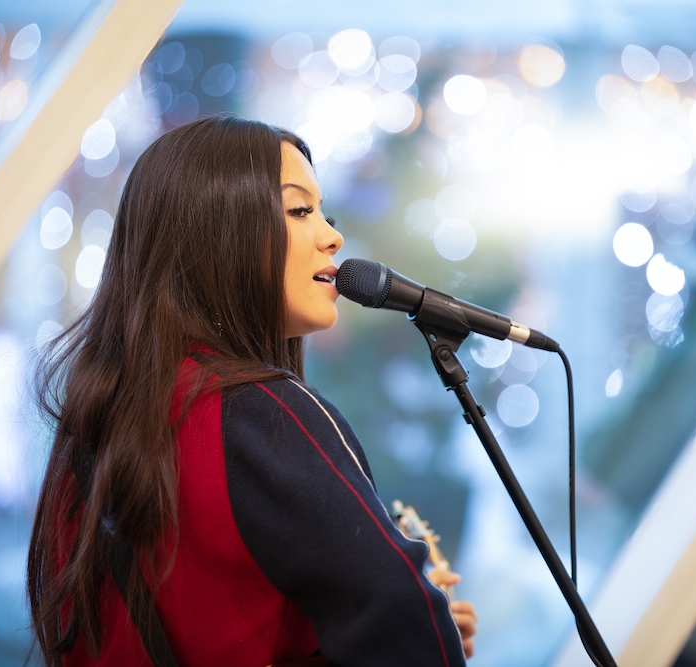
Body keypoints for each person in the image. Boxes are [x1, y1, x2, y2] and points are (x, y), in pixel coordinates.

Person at [27, 114, 477, 666]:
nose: (332, 236)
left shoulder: (97, 423)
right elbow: (407, 639)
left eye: (325, 213)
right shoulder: (265, 415)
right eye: (300, 210)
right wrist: (425, 630)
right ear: (220, 233)